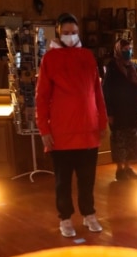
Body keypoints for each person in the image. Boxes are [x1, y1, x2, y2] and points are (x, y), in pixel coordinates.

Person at [35, 12, 108, 238]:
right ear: (58, 33)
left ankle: (89, 214)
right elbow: (41, 98)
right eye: (66, 33)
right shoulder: (49, 59)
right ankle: (65, 218)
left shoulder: (87, 56)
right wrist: (44, 130)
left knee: (87, 179)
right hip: (62, 133)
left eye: (74, 32)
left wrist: (102, 122)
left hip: (88, 131)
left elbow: (97, 93)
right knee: (62, 182)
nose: (70, 36)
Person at [102, 39, 137, 181]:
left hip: (131, 111)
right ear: (118, 51)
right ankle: (120, 169)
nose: (127, 51)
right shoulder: (112, 68)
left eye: (129, 48)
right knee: (119, 141)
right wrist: (109, 113)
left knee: (131, 141)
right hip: (118, 111)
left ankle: (128, 167)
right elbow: (107, 92)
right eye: (124, 49)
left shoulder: (133, 67)